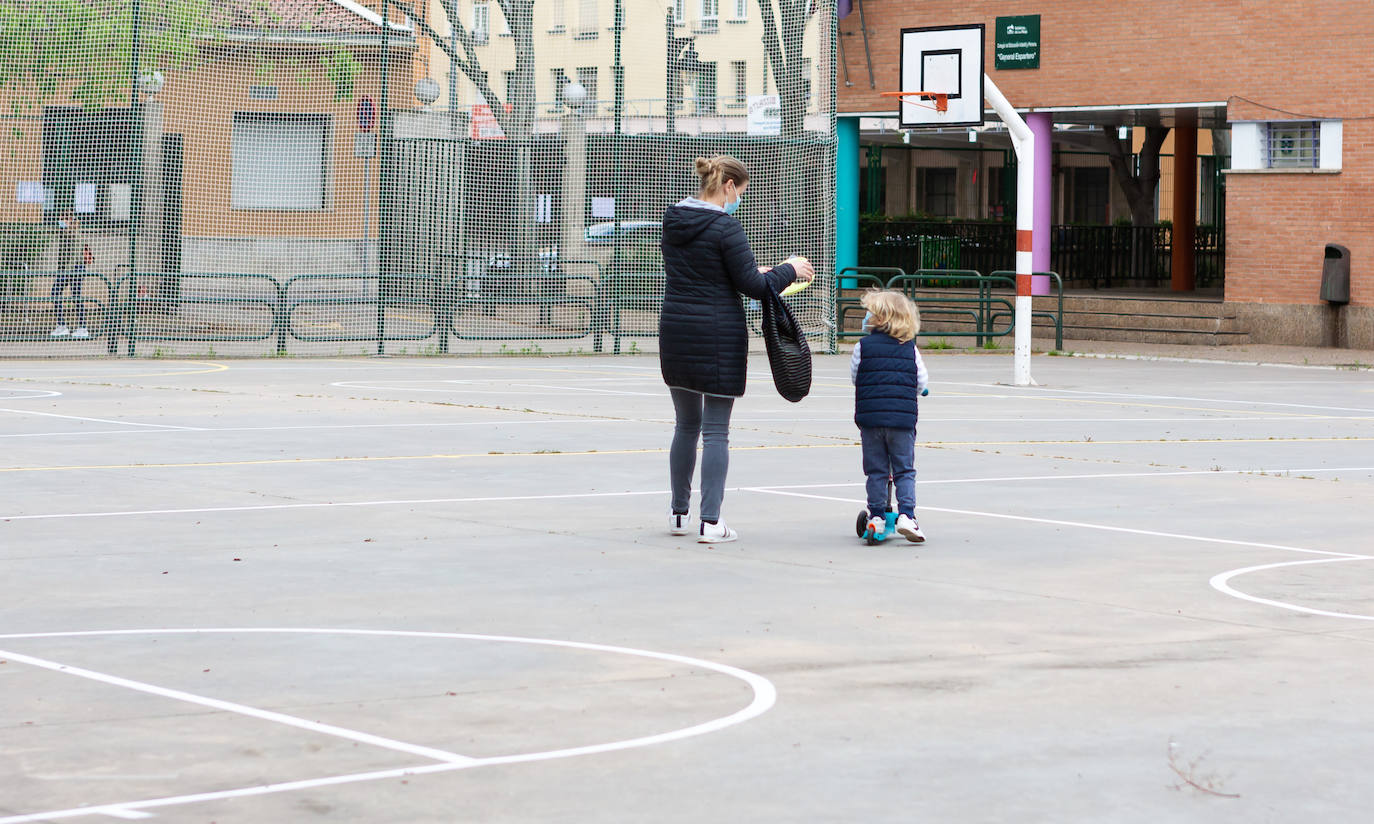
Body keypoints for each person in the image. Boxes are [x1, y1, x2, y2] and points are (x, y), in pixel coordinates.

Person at [659, 155, 815, 543]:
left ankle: (679, 513)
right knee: (715, 431)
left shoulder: (674, 219)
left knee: (684, 426)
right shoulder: (726, 227)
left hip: (676, 331)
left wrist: (754, 272)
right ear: (729, 187)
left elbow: (712, 271)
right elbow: (754, 286)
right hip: (716, 336)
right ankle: (711, 523)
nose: (739, 200)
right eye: (740, 193)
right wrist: (790, 269)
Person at [850, 290, 929, 543]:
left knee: (876, 470)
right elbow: (921, 381)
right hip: (902, 422)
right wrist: (920, 390)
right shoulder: (911, 349)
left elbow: (855, 377)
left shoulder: (862, 346)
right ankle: (907, 515)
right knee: (904, 469)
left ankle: (877, 516)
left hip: (871, 421)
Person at [50, 210, 90, 339]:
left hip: (74, 268)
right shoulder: (65, 233)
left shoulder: (74, 234)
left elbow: (74, 255)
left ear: (70, 220)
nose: (60, 221)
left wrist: (66, 271)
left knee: (65, 293)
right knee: (68, 294)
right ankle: (64, 326)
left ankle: (81, 327)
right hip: (69, 269)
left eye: (63, 218)